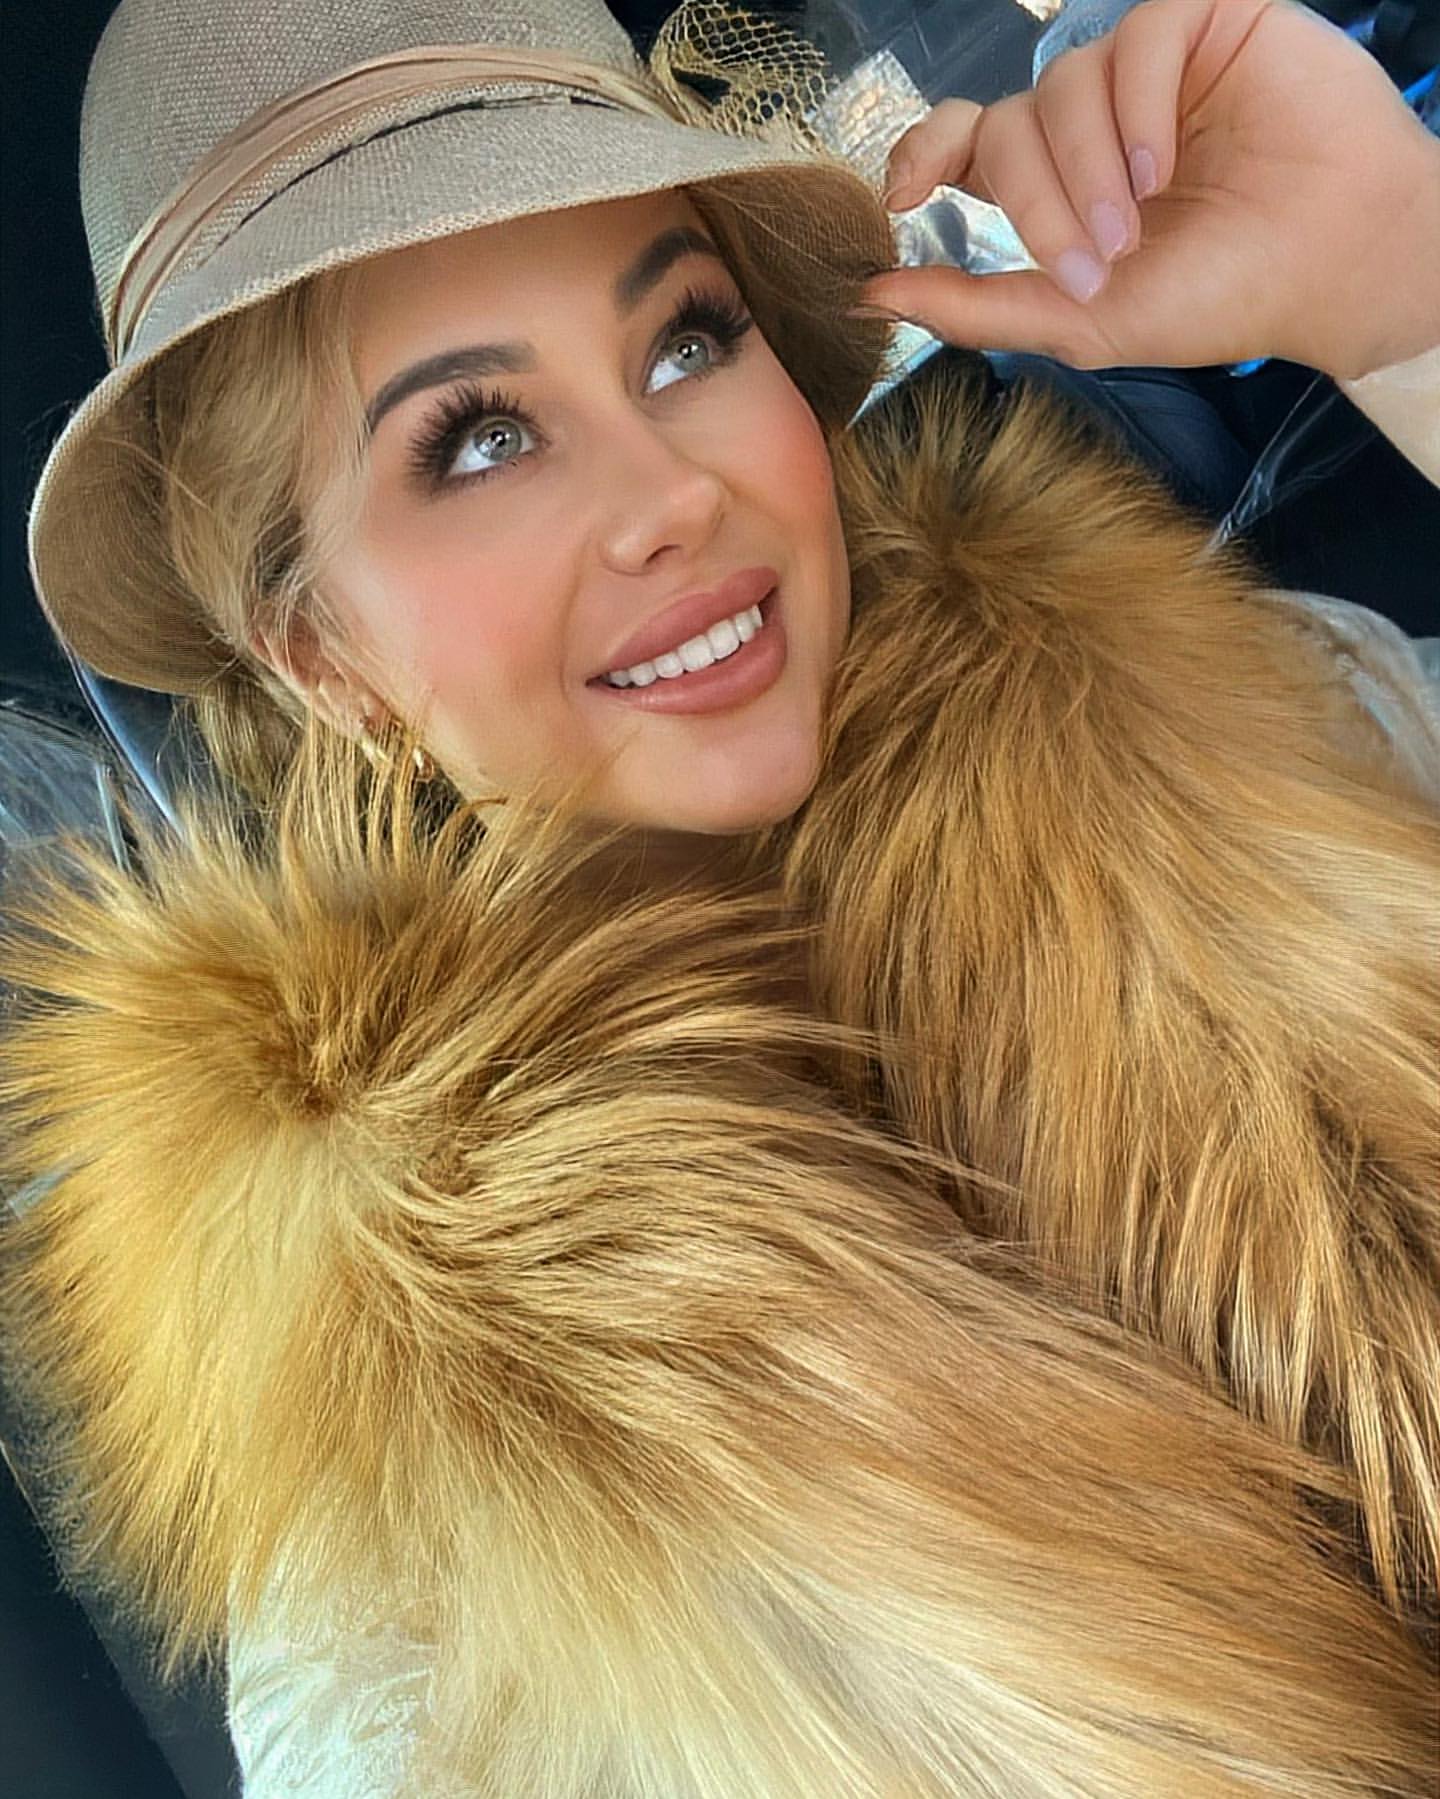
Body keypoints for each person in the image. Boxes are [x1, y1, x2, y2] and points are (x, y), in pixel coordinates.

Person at [2, 0, 1437, 1792]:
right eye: (477, 439)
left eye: (687, 340)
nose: (673, 492)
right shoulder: (415, 1607)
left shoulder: (1269, 721)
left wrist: (1404, 304)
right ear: (321, 657)